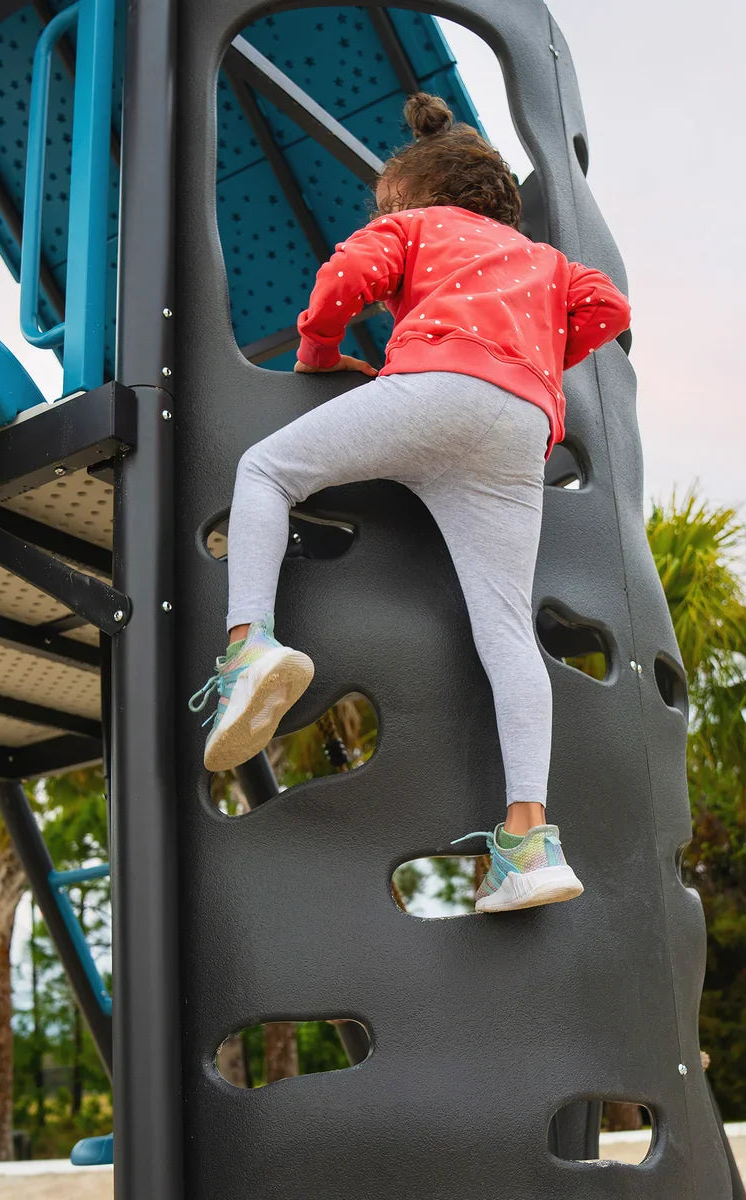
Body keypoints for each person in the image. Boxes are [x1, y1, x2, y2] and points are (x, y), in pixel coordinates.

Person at [189, 93, 630, 913]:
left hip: (433, 390)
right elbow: (610, 307)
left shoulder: (417, 227)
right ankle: (530, 841)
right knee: (506, 629)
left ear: (413, 196)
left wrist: (321, 353)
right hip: (516, 433)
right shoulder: (546, 261)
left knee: (266, 473)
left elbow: (343, 281)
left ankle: (250, 645)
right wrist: (536, 359)